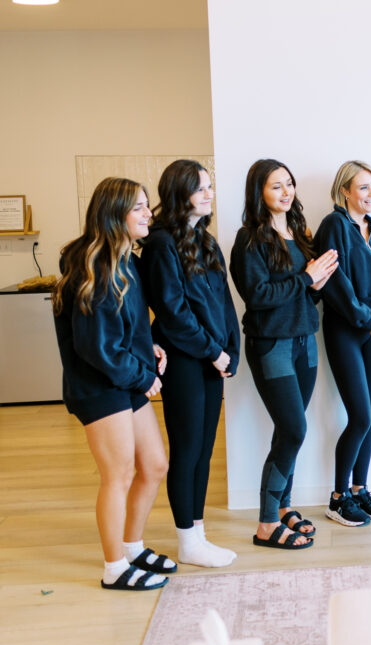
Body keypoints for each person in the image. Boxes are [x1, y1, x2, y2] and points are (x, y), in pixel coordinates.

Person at [53, 177, 175, 590]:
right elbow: (97, 349)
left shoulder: (126, 260)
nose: (148, 214)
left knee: (155, 464)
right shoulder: (96, 266)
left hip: (125, 377)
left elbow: (130, 329)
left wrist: (151, 347)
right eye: (139, 208)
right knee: (118, 474)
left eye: (147, 206)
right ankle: (115, 568)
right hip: (100, 386)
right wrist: (145, 377)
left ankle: (132, 546)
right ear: (114, 214)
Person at [229, 159, 338, 550]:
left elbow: (305, 292)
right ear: (259, 191)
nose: (286, 191)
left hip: (305, 342)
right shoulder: (249, 240)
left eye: (289, 184)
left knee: (287, 429)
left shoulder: (300, 233)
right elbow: (258, 298)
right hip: (271, 344)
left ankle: (283, 509)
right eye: (276, 186)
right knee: (294, 430)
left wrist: (317, 282)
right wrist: (307, 278)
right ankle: (265, 523)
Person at [139, 160, 240, 567]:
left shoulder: (206, 240)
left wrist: (231, 349)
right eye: (200, 188)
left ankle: (197, 534)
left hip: (211, 359)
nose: (209, 194)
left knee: (204, 452)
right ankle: (187, 540)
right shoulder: (161, 243)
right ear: (180, 193)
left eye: (210, 187)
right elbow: (172, 311)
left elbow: (223, 301)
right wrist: (213, 351)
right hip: (183, 360)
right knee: (187, 449)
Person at [314, 161, 371, 527]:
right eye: (363, 187)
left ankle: (360, 488)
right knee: (361, 416)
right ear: (345, 192)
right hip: (346, 331)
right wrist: (369, 323)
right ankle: (338, 498)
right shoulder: (333, 225)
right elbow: (337, 286)